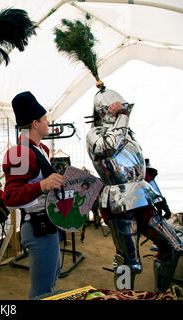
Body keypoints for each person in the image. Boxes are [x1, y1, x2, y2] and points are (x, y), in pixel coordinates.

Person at [86, 87, 183, 292]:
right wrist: (122, 117)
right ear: (105, 110)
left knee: (174, 248)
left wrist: (159, 198)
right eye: (118, 107)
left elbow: (139, 169)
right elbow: (111, 147)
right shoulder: (94, 134)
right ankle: (123, 297)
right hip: (119, 202)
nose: (123, 110)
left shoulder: (127, 133)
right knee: (130, 263)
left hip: (142, 198)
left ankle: (160, 295)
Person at [2, 91, 64, 299]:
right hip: (38, 227)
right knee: (42, 293)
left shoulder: (40, 149)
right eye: (45, 119)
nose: (48, 122)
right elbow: (10, 197)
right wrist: (43, 186)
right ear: (35, 123)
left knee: (52, 281)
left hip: (48, 225)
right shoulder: (21, 153)